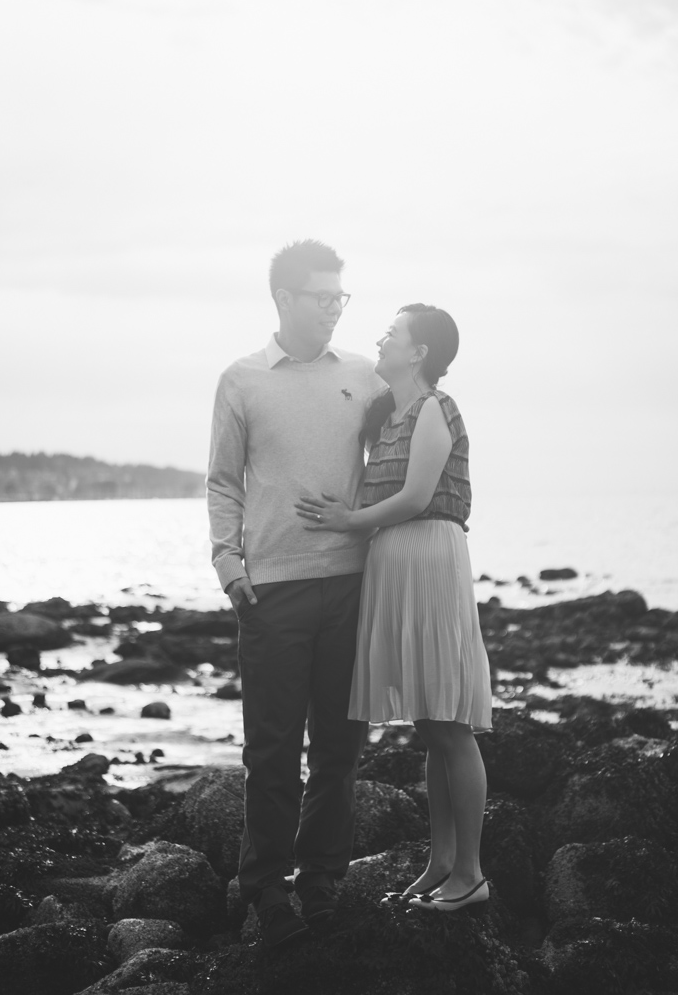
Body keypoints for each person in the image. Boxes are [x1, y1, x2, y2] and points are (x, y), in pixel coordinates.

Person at [207, 239, 383, 948]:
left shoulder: (368, 378)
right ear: (284, 299)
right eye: (322, 297)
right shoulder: (242, 380)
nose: (334, 309)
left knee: (340, 748)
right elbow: (223, 480)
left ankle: (321, 882)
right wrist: (227, 563)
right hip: (271, 591)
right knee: (272, 751)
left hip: (350, 586)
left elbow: (404, 452)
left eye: (341, 297)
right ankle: (265, 889)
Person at [295, 303, 492, 914]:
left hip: (429, 561)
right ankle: (441, 862)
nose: (382, 340)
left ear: (419, 353)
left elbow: (416, 496)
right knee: (432, 726)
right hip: (396, 566)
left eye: (393, 333)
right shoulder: (388, 414)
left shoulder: (435, 408)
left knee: (451, 726)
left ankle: (472, 874)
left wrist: (348, 521)